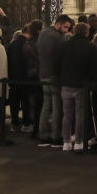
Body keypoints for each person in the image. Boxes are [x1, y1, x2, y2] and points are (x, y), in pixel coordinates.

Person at [53, 22, 97, 152]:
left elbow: (57, 64)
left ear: (74, 31)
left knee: (67, 115)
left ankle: (66, 142)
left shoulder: (64, 46)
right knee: (80, 115)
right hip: (81, 85)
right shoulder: (89, 47)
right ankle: (79, 141)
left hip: (66, 84)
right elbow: (94, 68)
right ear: (86, 32)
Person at [36, 15, 73, 148]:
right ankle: (55, 136)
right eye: (65, 27)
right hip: (54, 75)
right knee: (57, 106)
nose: (66, 30)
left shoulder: (43, 34)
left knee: (46, 105)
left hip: (43, 73)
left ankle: (43, 135)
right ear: (58, 24)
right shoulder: (58, 37)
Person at [7, 26, 31, 132]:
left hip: (13, 77)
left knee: (14, 102)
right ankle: (26, 123)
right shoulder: (27, 43)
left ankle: (14, 122)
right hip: (24, 77)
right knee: (25, 102)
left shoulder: (12, 44)